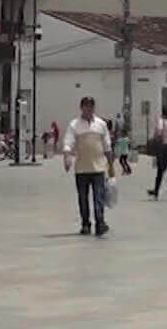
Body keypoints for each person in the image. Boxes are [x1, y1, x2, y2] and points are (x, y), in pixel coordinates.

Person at [62, 96, 113, 237]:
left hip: (99, 168)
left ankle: (100, 223)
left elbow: (107, 145)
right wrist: (67, 157)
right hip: (82, 168)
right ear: (81, 108)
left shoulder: (101, 124)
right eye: (86, 106)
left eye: (91, 106)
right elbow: (68, 143)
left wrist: (111, 164)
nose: (89, 109)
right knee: (83, 198)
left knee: (99, 197)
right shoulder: (74, 125)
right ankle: (85, 224)